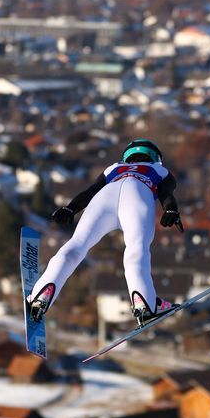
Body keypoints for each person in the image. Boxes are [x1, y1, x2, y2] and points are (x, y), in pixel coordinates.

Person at [28, 138, 183, 326]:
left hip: (105, 197)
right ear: (155, 157)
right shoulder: (159, 170)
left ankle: (40, 296)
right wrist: (171, 210)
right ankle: (145, 304)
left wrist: (71, 208)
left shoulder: (113, 168)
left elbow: (91, 190)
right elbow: (166, 193)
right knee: (136, 248)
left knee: (77, 244)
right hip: (137, 195)